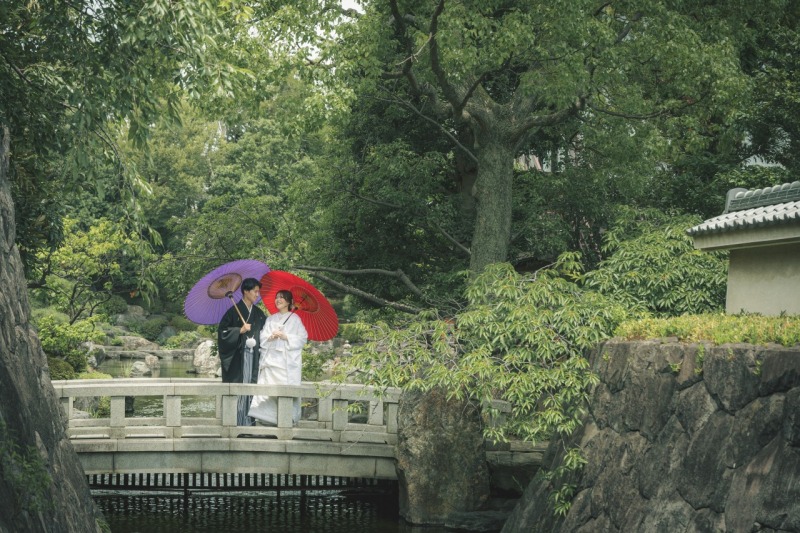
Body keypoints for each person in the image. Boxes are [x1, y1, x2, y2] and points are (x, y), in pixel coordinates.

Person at [249, 289, 308, 426]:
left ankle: (285, 420)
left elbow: (302, 338)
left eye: (282, 298)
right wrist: (270, 337)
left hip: (286, 362)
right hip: (271, 359)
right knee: (267, 390)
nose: (278, 300)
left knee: (284, 390)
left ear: (288, 301)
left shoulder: (295, 319)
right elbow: (262, 337)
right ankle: (266, 421)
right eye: (277, 297)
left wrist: (285, 336)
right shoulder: (271, 319)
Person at [217, 277, 267, 426]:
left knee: (251, 388)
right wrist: (239, 330)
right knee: (238, 389)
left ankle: (249, 422)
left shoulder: (258, 313)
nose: (257, 295)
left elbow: (264, 333)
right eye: (255, 291)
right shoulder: (232, 312)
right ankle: (235, 422)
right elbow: (222, 333)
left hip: (254, 359)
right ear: (246, 291)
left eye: (258, 292)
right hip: (238, 359)